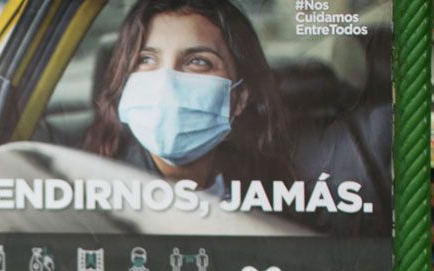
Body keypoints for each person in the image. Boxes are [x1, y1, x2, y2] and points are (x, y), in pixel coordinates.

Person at [82, 0, 295, 193]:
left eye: (198, 62)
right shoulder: (95, 199)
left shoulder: (269, 192)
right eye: (145, 59)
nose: (167, 83)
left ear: (239, 98)